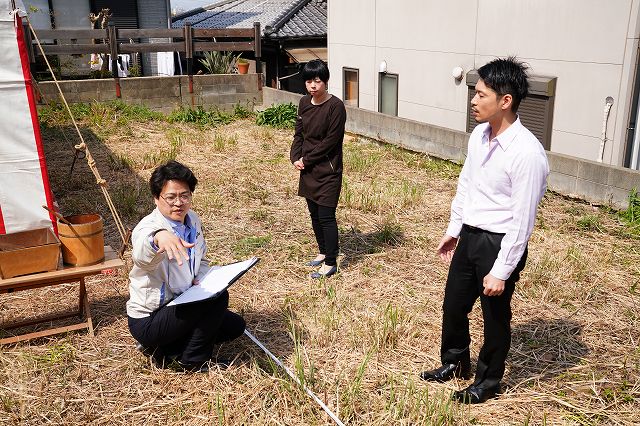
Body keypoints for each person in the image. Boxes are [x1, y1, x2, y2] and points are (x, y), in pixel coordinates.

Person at [420, 57, 549, 404]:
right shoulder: (479, 135)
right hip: (471, 235)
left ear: (504, 101)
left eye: (480, 94)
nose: (473, 101)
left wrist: (502, 269)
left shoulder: (528, 154)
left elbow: (522, 222)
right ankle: (454, 364)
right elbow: (467, 184)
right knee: (454, 305)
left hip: (499, 242)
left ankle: (488, 381)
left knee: (495, 318)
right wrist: (454, 228)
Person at [126, 160, 245, 373]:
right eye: (170, 197)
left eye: (185, 195)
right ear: (156, 198)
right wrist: (159, 238)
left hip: (182, 303)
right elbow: (143, 255)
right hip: (150, 317)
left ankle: (165, 348)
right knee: (218, 299)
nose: (178, 203)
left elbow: (202, 259)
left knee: (235, 327)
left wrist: (201, 279)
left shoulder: (193, 220)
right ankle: (193, 361)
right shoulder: (148, 228)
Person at [290, 59, 347, 279]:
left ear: (325, 81)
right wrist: (295, 156)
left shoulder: (335, 106)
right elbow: (299, 133)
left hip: (328, 170)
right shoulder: (304, 103)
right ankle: (323, 252)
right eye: (308, 81)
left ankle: (331, 262)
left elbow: (332, 140)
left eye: (317, 80)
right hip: (308, 168)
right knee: (314, 214)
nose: (313, 85)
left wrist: (307, 158)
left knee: (326, 216)